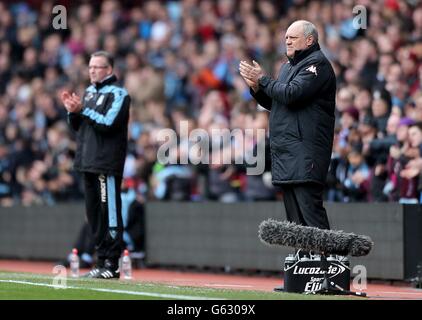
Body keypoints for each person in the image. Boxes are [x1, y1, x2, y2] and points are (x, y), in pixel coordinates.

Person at [239, 20, 336, 230]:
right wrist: (257, 88)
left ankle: (328, 259)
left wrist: (263, 79)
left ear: (309, 40)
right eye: (286, 38)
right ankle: (304, 258)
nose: (287, 41)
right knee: (295, 220)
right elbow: (277, 103)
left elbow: (292, 94)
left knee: (310, 213)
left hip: (305, 152)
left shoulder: (317, 64)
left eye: (293, 37)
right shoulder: (287, 68)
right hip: (288, 153)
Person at [60, 51, 131, 279]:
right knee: (93, 216)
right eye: (90, 66)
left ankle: (112, 263)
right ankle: (101, 261)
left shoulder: (119, 94)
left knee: (109, 213)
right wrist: (73, 113)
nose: (91, 70)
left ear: (109, 70)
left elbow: (108, 123)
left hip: (106, 164)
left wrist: (83, 110)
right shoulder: (89, 93)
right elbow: (80, 127)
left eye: (97, 67)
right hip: (87, 162)